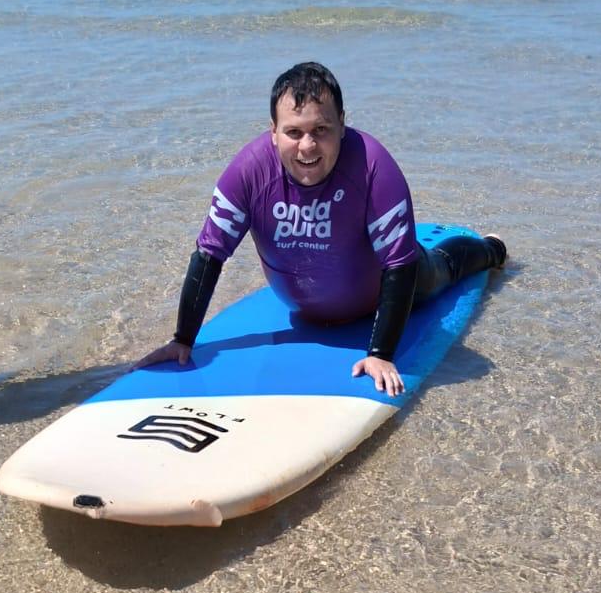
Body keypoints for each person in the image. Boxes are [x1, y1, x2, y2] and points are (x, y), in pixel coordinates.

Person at [138, 62, 505, 397]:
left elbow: (400, 265)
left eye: (321, 130)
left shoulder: (372, 166)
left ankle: (489, 249)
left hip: (383, 291)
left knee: (440, 268)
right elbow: (210, 253)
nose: (308, 146)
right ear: (273, 132)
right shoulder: (249, 172)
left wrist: (380, 353)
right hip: (302, 305)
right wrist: (183, 338)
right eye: (293, 132)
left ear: (342, 124)